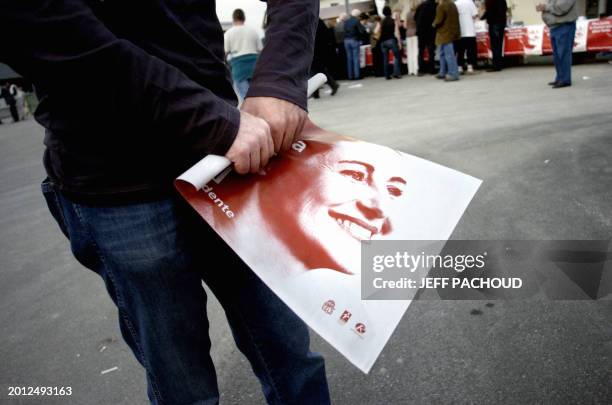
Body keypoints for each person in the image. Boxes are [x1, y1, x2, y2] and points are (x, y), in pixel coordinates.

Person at [0, 1, 331, 404]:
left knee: (292, 354)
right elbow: (35, 21)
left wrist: (279, 81)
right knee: (183, 386)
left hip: (225, 168)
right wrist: (212, 119)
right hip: (116, 181)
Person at [536, 0, 577, 88]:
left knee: (563, 54)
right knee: (557, 56)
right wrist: (544, 7)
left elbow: (561, 8)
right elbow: (553, 6)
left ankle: (565, 80)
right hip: (555, 27)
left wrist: (545, 7)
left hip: (564, 26)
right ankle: (559, 78)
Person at [224, 9, 263, 100]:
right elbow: (261, 50)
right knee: (256, 96)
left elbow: (225, 52)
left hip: (239, 68)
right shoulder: (253, 31)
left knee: (245, 98)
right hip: (254, 66)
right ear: (244, 18)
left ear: (233, 19)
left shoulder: (228, 33)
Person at [433, 0, 461, 81]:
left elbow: (438, 20)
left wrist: (433, 24)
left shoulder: (441, 6)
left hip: (444, 33)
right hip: (452, 32)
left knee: (448, 54)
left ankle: (453, 73)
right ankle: (442, 72)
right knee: (443, 53)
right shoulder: (453, 4)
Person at [311, 18, 340, 98]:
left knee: (315, 71)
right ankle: (331, 85)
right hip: (319, 51)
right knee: (318, 71)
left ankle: (317, 92)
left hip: (315, 51)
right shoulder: (317, 21)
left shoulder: (312, 21)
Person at [481, 0, 508, 71]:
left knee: (495, 45)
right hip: (501, 22)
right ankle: (499, 64)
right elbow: (505, 8)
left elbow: (489, 11)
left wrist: (482, 18)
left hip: (494, 23)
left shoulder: (490, 1)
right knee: (499, 44)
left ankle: (496, 65)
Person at [454, 0, 479, 74]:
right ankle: (470, 67)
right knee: (470, 51)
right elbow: (475, 15)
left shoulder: (455, 4)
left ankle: (459, 67)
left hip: (459, 31)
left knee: (460, 51)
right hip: (470, 31)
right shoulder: (470, 2)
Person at [415, 0, 438, 75]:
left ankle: (420, 69)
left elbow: (415, 17)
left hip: (421, 31)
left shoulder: (421, 6)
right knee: (431, 50)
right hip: (430, 31)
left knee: (421, 50)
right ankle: (431, 69)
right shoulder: (435, 5)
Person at [380, 6, 403, 80]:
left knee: (385, 58)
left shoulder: (381, 21)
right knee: (396, 56)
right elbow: (397, 32)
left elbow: (376, 31)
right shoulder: (393, 21)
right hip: (391, 40)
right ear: (390, 12)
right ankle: (396, 73)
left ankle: (387, 75)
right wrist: (399, 42)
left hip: (383, 42)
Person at [344, 9, 366, 80]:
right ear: (357, 15)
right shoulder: (356, 21)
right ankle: (357, 75)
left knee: (349, 59)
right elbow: (362, 31)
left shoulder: (346, 21)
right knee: (356, 58)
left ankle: (350, 76)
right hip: (354, 40)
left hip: (346, 40)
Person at [403, 0, 421, 76]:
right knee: (415, 52)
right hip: (415, 32)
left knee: (409, 53)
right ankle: (416, 69)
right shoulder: (417, 14)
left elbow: (405, 25)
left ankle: (410, 70)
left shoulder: (407, 14)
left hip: (408, 33)